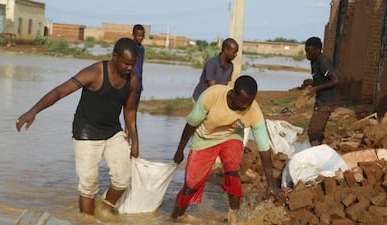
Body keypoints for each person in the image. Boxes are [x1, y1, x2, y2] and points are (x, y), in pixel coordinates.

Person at [15, 38, 140, 218]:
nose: (129, 68)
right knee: (88, 186)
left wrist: (135, 141)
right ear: (114, 56)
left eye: (132, 64)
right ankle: (87, 221)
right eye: (126, 64)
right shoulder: (95, 72)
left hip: (112, 131)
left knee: (123, 179)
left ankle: (104, 209)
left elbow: (129, 111)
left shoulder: (133, 80)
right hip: (86, 133)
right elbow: (60, 91)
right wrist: (34, 110)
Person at [171, 75, 285, 220]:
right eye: (242, 102)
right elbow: (191, 124)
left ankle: (234, 217)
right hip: (205, 139)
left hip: (231, 137)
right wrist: (180, 150)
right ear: (233, 94)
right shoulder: (212, 96)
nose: (245, 107)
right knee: (191, 184)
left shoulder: (253, 111)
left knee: (232, 176)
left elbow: (264, 147)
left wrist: (271, 185)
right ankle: (175, 217)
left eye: (249, 103)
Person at [304, 37, 339, 146]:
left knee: (313, 132)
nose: (307, 55)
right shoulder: (314, 61)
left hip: (326, 102)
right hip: (321, 100)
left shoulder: (322, 61)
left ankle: (317, 157)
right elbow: (322, 80)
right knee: (317, 133)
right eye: (306, 51)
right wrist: (312, 84)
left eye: (309, 52)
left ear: (317, 51)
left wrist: (315, 89)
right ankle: (319, 154)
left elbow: (335, 80)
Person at [191, 37, 238, 102]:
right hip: (200, 99)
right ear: (226, 50)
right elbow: (213, 87)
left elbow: (224, 86)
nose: (235, 55)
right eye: (234, 52)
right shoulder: (211, 64)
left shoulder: (230, 66)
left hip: (213, 98)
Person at [132, 24, 145, 108]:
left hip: (138, 85)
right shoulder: (129, 47)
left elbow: (140, 67)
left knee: (133, 110)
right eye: (138, 35)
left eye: (142, 36)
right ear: (133, 35)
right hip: (129, 84)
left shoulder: (142, 49)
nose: (140, 38)